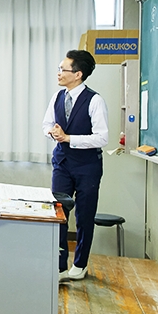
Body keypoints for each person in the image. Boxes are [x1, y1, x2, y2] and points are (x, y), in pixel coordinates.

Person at [42, 50, 108, 282]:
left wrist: (69, 138)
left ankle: (80, 264)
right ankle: (59, 265)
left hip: (87, 166)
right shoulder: (57, 97)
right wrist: (53, 132)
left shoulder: (95, 100)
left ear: (78, 74)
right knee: (58, 213)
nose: (59, 73)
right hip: (62, 163)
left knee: (84, 216)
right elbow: (46, 124)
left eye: (63, 69)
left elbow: (102, 138)